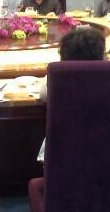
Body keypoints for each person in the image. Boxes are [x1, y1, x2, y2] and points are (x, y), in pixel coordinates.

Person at [37, 27, 106, 160]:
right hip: (106, 154)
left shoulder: (55, 79)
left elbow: (43, 94)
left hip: (63, 156)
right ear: (101, 56)